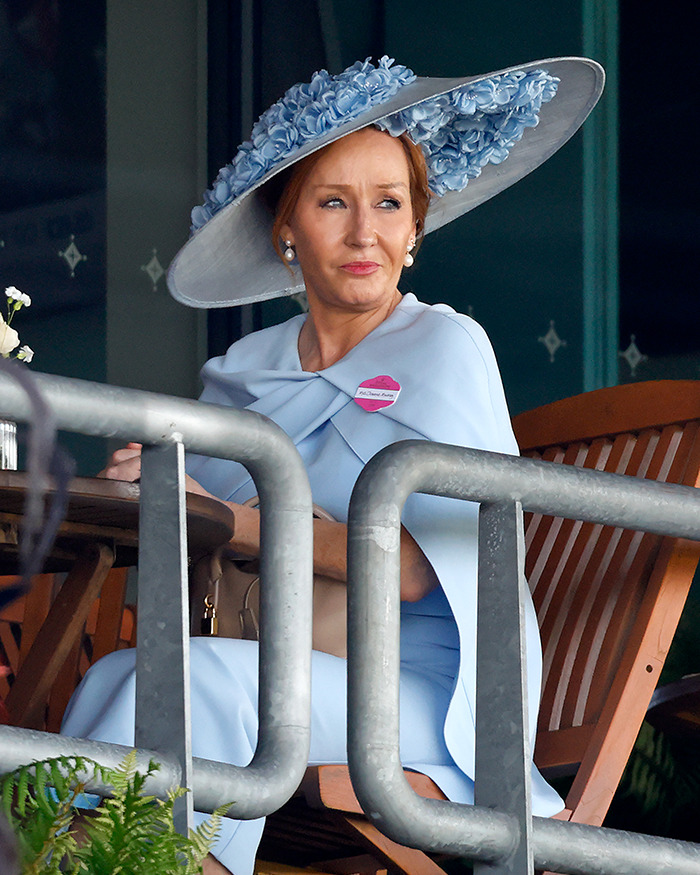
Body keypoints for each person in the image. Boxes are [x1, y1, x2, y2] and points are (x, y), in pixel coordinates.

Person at [61, 55, 604, 874]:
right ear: (286, 229)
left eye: (389, 203)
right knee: (112, 677)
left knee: (193, 686)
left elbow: (417, 570)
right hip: (279, 662)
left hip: (423, 700)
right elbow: (188, 510)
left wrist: (234, 517)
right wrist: (141, 477)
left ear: (415, 228)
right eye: (332, 202)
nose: (364, 233)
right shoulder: (244, 368)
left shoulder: (444, 347)